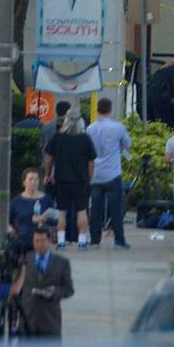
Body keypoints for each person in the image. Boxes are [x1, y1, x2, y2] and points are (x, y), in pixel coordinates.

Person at [11, 218, 72, 338]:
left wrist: (55, 292)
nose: (39, 244)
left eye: (42, 241)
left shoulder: (62, 263)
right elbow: (16, 290)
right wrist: (14, 318)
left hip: (50, 321)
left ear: (49, 241)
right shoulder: (24, 260)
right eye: (36, 241)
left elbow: (68, 289)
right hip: (28, 319)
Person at [84, 97, 131, 249]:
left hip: (96, 174)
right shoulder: (118, 127)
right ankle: (119, 240)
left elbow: (87, 152)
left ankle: (95, 241)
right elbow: (127, 144)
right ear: (110, 110)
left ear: (97, 109)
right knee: (115, 209)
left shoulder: (90, 129)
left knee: (95, 209)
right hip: (113, 173)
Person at [45, 112, 94, 249]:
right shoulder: (85, 138)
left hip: (61, 179)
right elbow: (91, 162)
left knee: (62, 211)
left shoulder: (57, 137)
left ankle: (61, 241)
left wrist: (48, 173)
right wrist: (89, 177)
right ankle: (82, 241)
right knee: (81, 211)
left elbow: (49, 157)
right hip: (81, 179)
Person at [6, 169, 57, 252]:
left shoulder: (46, 199)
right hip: (23, 242)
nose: (34, 182)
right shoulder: (17, 201)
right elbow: (7, 220)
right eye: (30, 179)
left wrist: (44, 218)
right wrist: (10, 230)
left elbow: (55, 219)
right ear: (24, 182)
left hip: (42, 241)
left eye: (36, 179)